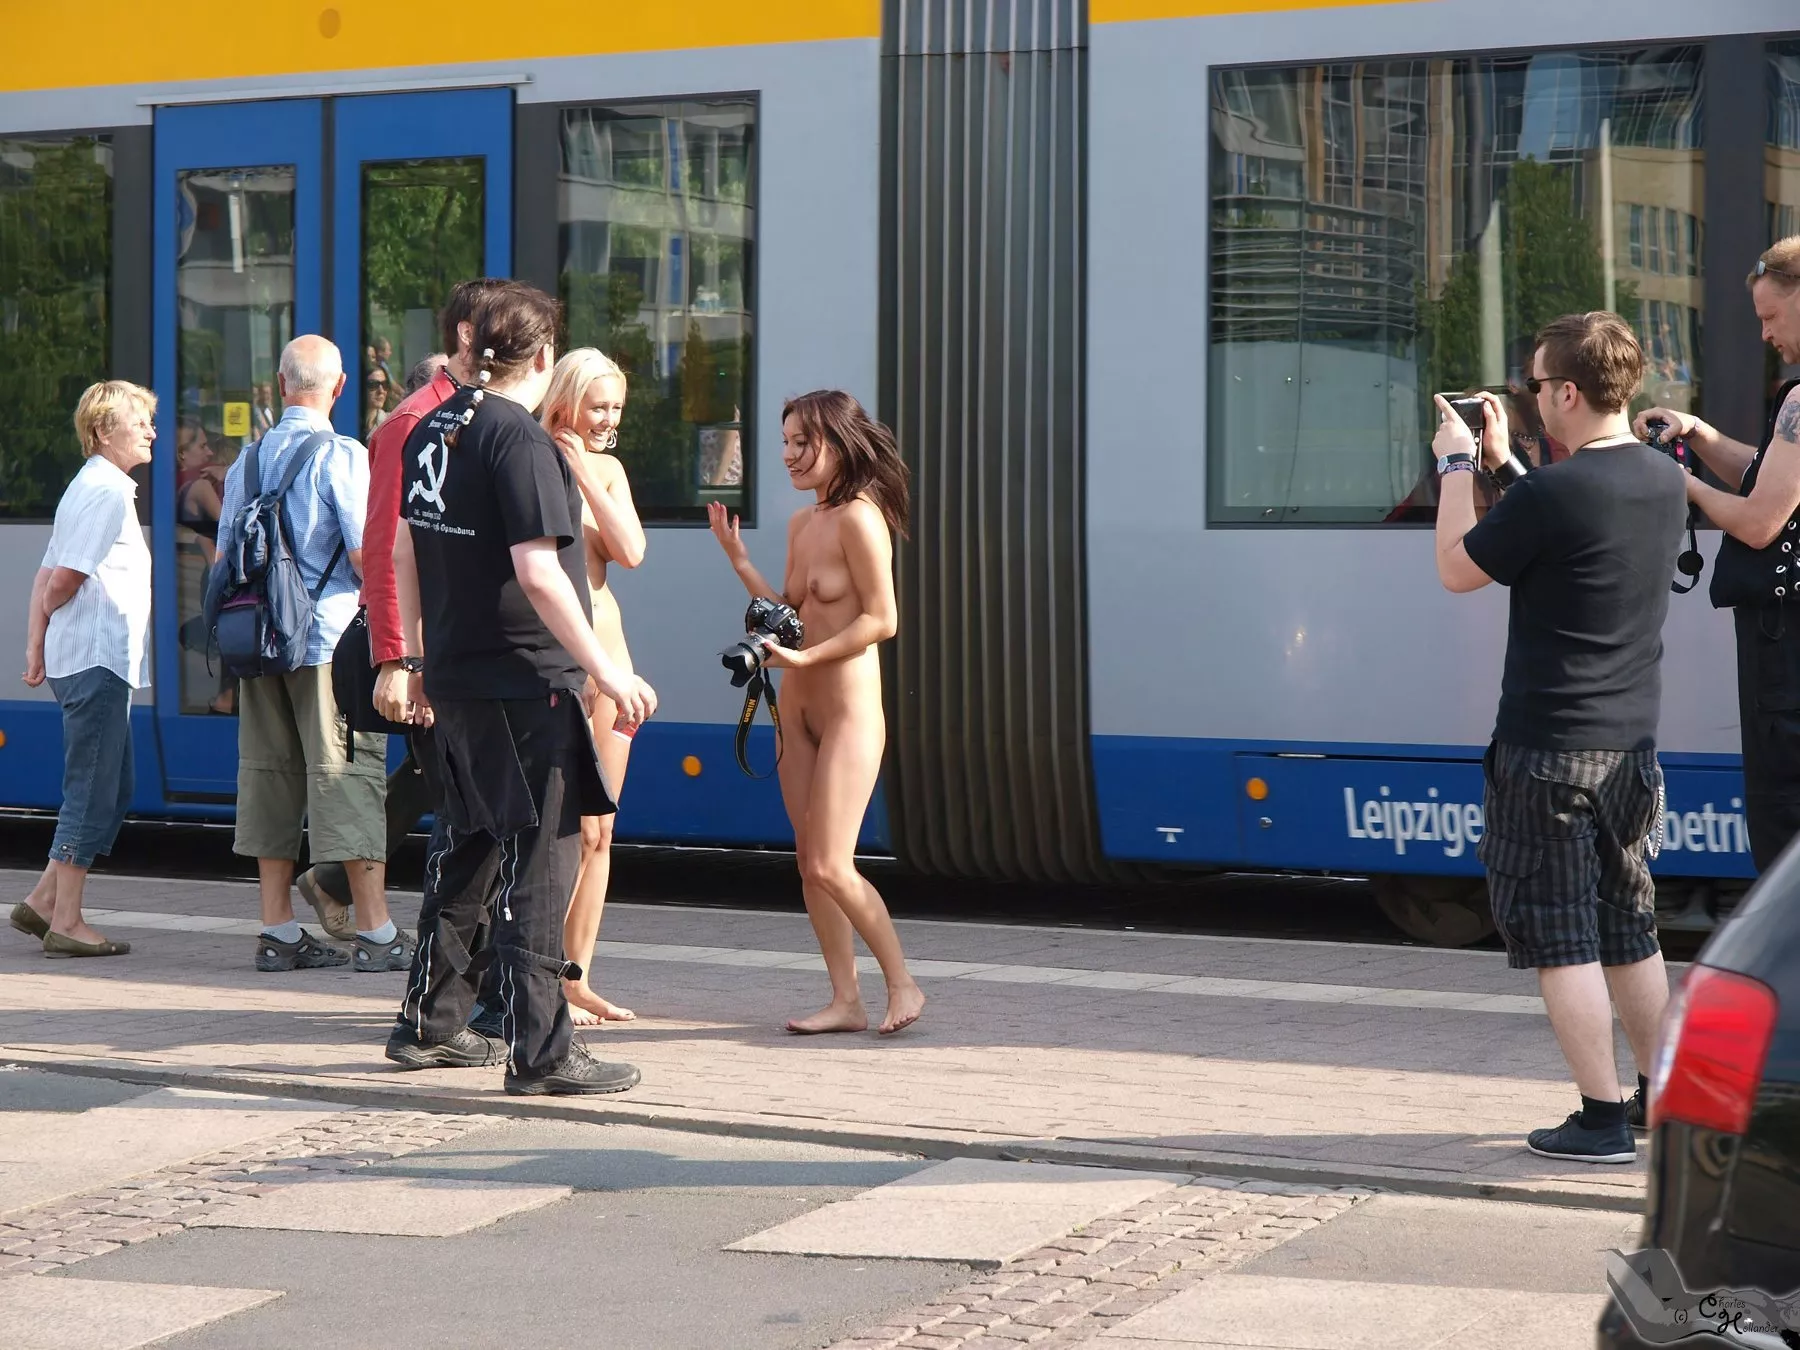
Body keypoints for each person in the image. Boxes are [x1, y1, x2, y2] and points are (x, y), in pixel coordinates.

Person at [384, 283, 657, 1094]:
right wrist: (607, 670)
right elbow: (539, 572)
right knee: (544, 852)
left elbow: (404, 546)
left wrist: (418, 654)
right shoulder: (520, 440)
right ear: (542, 357)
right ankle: (542, 1052)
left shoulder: (436, 425)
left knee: (469, 843)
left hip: (460, 675)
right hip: (524, 677)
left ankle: (430, 1026)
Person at [1432, 311, 1687, 1163]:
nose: (1533, 399)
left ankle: (1600, 1118)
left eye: (1538, 385)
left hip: (1547, 750)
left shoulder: (1553, 490)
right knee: (1629, 926)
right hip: (1630, 749)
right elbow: (1569, 531)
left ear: (1569, 391)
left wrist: (1458, 467)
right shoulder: (1659, 479)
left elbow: (1458, 568)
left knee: (1560, 936)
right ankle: (1659, 1099)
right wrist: (1507, 465)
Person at [294, 278, 511, 941]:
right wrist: (400, 659)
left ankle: (449, 964)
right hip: (433, 652)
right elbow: (387, 547)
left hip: (461, 649)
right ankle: (448, 978)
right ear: (471, 339)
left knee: (462, 802)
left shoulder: (474, 415)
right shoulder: (415, 422)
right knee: (466, 814)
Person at [706, 391, 925, 1035]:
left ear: (838, 441)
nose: (789, 455)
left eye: (803, 443)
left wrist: (806, 660)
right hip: (795, 708)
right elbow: (790, 612)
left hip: (848, 709)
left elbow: (882, 619)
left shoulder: (863, 517)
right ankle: (845, 999)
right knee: (808, 863)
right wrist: (739, 560)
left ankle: (903, 983)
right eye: (786, 443)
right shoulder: (805, 524)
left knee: (833, 861)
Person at [217, 336, 411, 974]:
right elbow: (366, 556)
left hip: (259, 643)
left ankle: (277, 930)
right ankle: (376, 933)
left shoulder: (245, 462)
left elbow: (223, 564)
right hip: (328, 642)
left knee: (268, 776)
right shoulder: (341, 455)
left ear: (278, 385)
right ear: (340, 385)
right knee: (347, 776)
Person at [1635, 235, 1800, 871]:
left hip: (1785, 655)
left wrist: (1680, 483)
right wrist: (1700, 435)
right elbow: (1773, 475)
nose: (1764, 334)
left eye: (1770, 317)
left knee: (1783, 834)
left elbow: (1760, 522)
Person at [11, 382, 156, 958]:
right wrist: (45, 621)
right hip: (96, 658)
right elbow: (60, 579)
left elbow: (45, 572)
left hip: (94, 658)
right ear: (102, 431)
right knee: (92, 789)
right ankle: (66, 921)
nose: (150, 429)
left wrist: (35, 647)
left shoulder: (88, 487)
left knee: (112, 788)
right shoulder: (107, 493)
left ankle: (44, 900)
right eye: (138, 420)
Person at [540, 348, 647, 1025]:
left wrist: (584, 466)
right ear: (566, 401)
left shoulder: (603, 469)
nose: (608, 419)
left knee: (599, 830)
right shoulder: (526, 456)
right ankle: (536, 975)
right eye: (598, 406)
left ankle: (576, 977)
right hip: (554, 668)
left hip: (611, 667)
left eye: (616, 408)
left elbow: (631, 551)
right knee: (554, 832)